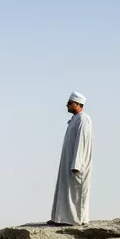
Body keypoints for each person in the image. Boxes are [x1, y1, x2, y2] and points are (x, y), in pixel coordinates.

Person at [51, 91, 93, 223]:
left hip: (77, 163)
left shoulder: (83, 119)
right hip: (69, 161)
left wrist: (77, 164)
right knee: (65, 190)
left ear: (76, 104)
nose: (67, 105)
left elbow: (82, 142)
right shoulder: (75, 119)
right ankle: (63, 218)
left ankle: (76, 220)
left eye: (69, 103)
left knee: (76, 193)